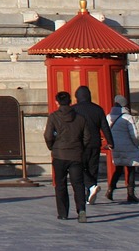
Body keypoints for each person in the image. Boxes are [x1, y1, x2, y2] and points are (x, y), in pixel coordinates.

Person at [44, 90, 93, 222]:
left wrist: (52, 147)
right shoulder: (80, 118)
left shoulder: (53, 117)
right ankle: (81, 209)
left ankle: (63, 213)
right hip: (76, 154)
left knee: (60, 184)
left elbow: (48, 135)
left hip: (59, 154)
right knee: (78, 184)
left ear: (57, 102)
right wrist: (81, 148)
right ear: (71, 102)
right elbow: (87, 137)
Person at [72, 85, 112, 204]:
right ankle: (90, 193)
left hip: (80, 143)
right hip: (95, 142)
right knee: (93, 167)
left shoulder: (74, 109)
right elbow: (105, 127)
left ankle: (91, 187)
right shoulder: (97, 109)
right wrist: (110, 141)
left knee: (79, 167)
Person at [106, 95, 139, 204]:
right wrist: (136, 145)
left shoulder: (108, 117)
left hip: (116, 147)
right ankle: (130, 194)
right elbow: (134, 134)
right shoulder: (128, 117)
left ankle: (110, 189)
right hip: (129, 146)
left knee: (118, 169)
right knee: (131, 169)